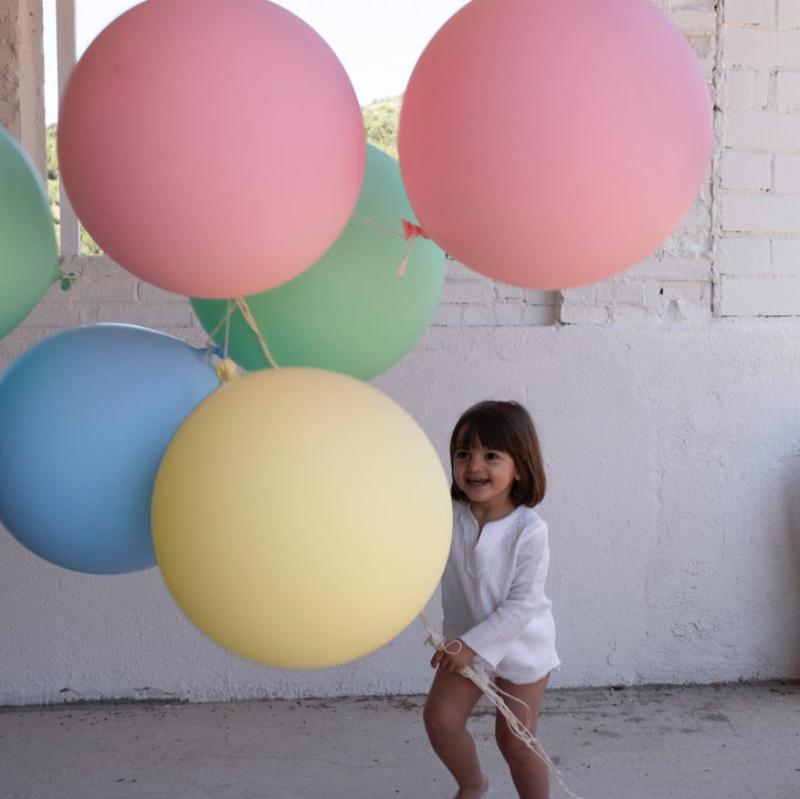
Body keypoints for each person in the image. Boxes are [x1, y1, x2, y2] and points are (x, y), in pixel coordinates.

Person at [424, 400, 560, 799]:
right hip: (464, 642)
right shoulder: (446, 514)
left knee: (515, 740)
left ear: (519, 465)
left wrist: (471, 645)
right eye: (463, 454)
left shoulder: (528, 530)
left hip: (521, 649)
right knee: (440, 720)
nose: (473, 466)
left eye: (491, 456)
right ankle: (472, 783)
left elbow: (523, 604)